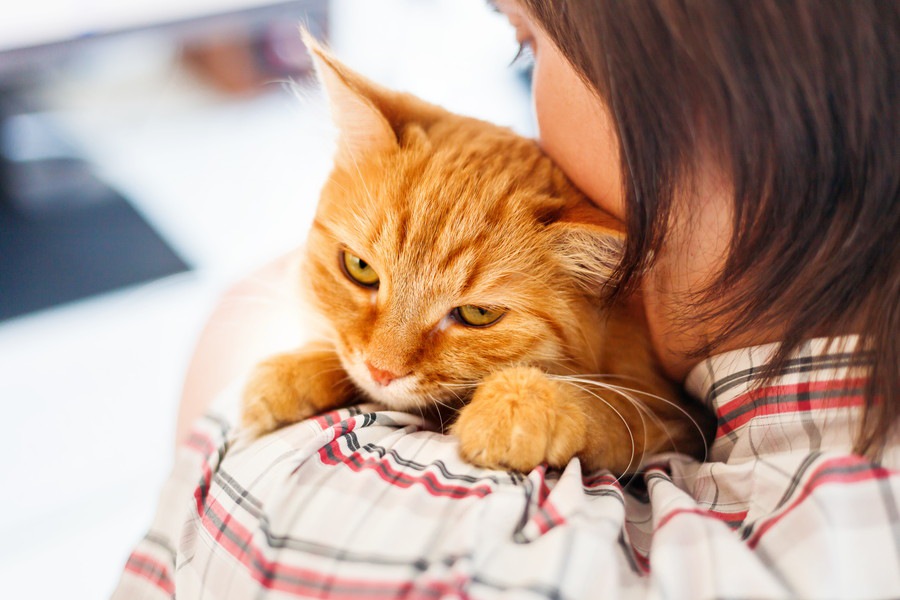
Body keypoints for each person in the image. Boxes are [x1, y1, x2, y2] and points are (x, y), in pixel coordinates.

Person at [113, 1, 900, 598]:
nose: (383, 362)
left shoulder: (331, 503)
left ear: (711, 94)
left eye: (530, 46)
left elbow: (655, 419)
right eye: (359, 272)